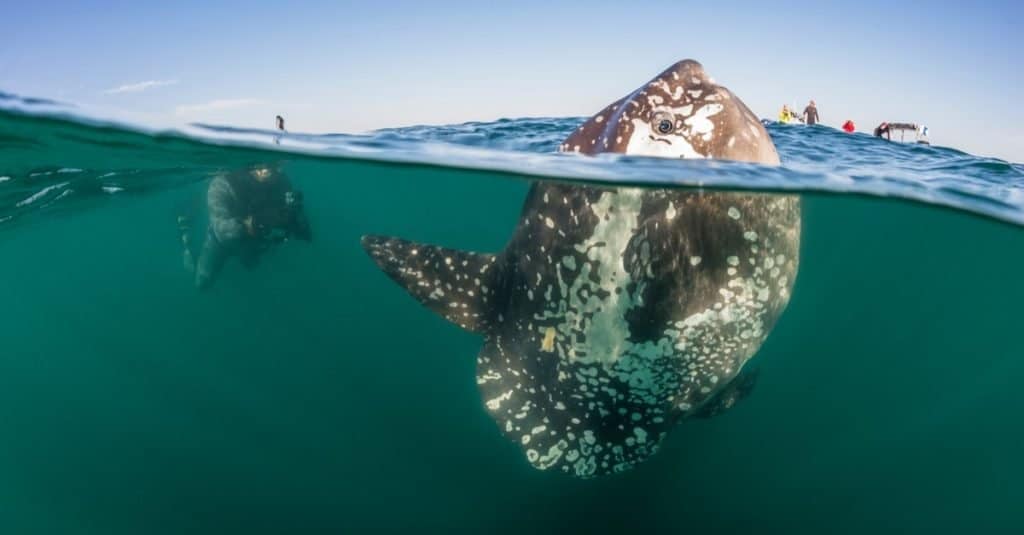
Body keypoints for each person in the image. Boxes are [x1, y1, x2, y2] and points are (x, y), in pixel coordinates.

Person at [180, 163, 312, 290]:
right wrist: (254, 223)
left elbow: (297, 224)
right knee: (202, 282)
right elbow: (220, 229)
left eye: (272, 164)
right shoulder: (222, 183)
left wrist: (297, 220)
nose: (266, 170)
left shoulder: (281, 182)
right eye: (258, 166)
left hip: (254, 243)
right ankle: (188, 246)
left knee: (252, 266)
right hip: (221, 243)